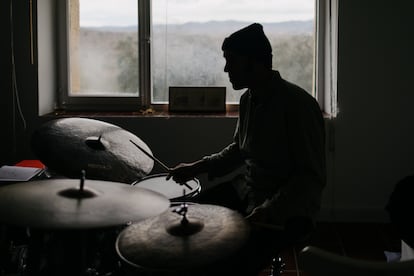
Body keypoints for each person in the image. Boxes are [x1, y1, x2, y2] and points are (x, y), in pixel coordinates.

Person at [167, 23, 326, 275]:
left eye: (232, 61)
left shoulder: (298, 105)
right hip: (249, 190)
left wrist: (268, 211)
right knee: (191, 218)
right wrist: (196, 168)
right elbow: (240, 150)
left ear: (254, 63)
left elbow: (310, 178)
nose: (226, 68)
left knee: (227, 259)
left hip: (287, 210)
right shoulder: (248, 98)